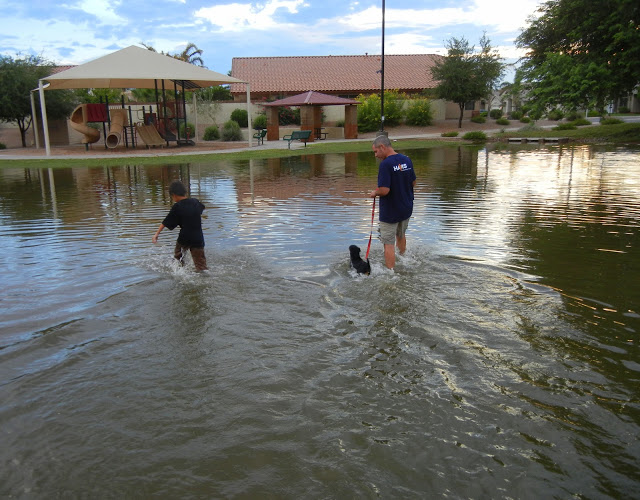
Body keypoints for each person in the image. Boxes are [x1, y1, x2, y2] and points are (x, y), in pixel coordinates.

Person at [369, 135, 416, 269]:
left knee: (388, 242)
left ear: (382, 147)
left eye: (376, 151)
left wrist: (374, 193)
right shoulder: (406, 160)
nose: (376, 155)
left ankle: (390, 273)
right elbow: (413, 182)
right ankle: (403, 259)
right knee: (400, 235)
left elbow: (384, 190)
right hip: (406, 207)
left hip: (390, 210)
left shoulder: (385, 164)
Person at [152, 180, 208, 271]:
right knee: (201, 265)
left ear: (174, 195)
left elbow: (166, 222)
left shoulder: (177, 207)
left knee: (178, 257)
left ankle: (180, 271)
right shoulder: (195, 202)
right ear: (184, 193)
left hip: (184, 237)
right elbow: (202, 208)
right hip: (198, 238)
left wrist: (156, 234)